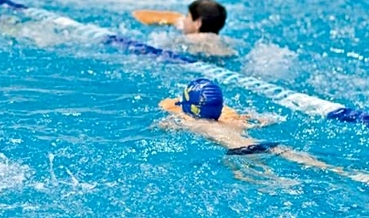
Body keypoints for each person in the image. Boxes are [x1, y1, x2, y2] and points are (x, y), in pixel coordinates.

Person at [158, 78, 369, 184]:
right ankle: (352, 173)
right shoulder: (230, 119)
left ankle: (284, 184)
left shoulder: (192, 123)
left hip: (241, 152)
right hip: (265, 143)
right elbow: (256, 120)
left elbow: (167, 126)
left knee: (268, 182)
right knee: (315, 163)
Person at [144, 0, 236, 57]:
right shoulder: (225, 42)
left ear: (198, 23)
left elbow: (160, 49)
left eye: (187, 16)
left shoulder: (189, 39)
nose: (184, 20)